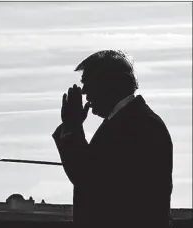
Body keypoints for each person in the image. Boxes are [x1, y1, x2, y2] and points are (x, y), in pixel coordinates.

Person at [52, 50, 173, 228]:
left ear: (109, 84)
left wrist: (72, 128)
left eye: (87, 83)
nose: (84, 91)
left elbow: (88, 178)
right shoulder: (137, 121)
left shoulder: (138, 125)